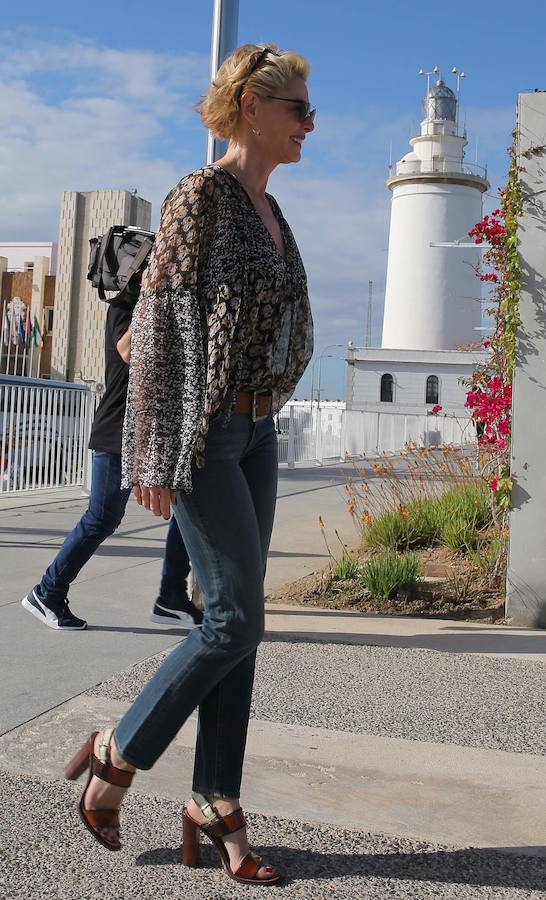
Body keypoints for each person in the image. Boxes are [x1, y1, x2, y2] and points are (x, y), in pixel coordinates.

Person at [64, 43, 314, 886]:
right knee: (235, 620)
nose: (310, 124)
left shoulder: (271, 211)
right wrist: (159, 449)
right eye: (298, 110)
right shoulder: (201, 196)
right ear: (251, 106)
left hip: (258, 433)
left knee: (237, 628)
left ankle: (215, 799)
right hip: (205, 435)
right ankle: (117, 751)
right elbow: (157, 325)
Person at [21, 291, 202, 631]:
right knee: (102, 517)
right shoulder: (124, 305)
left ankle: (171, 595)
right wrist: (155, 293)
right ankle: (47, 592)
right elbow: (129, 350)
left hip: (155, 433)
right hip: (117, 430)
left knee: (189, 503)